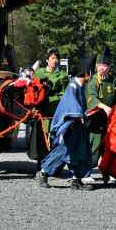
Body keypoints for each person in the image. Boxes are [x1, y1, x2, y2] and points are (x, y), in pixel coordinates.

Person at [38, 58, 94, 190]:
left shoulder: (80, 87)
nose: (90, 76)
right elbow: (71, 105)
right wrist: (80, 115)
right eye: (89, 73)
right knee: (64, 151)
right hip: (68, 126)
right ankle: (43, 173)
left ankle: (76, 180)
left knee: (80, 151)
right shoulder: (73, 86)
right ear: (85, 73)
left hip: (78, 125)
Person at [30, 47, 69, 167]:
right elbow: (32, 91)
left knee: (54, 140)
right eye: (52, 58)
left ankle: (52, 166)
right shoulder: (39, 73)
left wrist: (51, 97)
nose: (55, 60)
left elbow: (64, 94)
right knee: (40, 139)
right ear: (47, 60)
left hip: (55, 113)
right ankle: (39, 165)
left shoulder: (63, 75)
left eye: (56, 58)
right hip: (41, 113)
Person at [86, 46, 116, 168]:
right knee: (93, 145)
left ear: (109, 68)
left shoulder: (112, 81)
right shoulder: (93, 81)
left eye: (105, 65)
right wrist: (104, 107)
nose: (102, 68)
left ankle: (108, 169)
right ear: (96, 67)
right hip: (94, 119)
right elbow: (92, 97)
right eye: (100, 65)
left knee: (109, 145)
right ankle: (85, 170)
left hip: (109, 120)